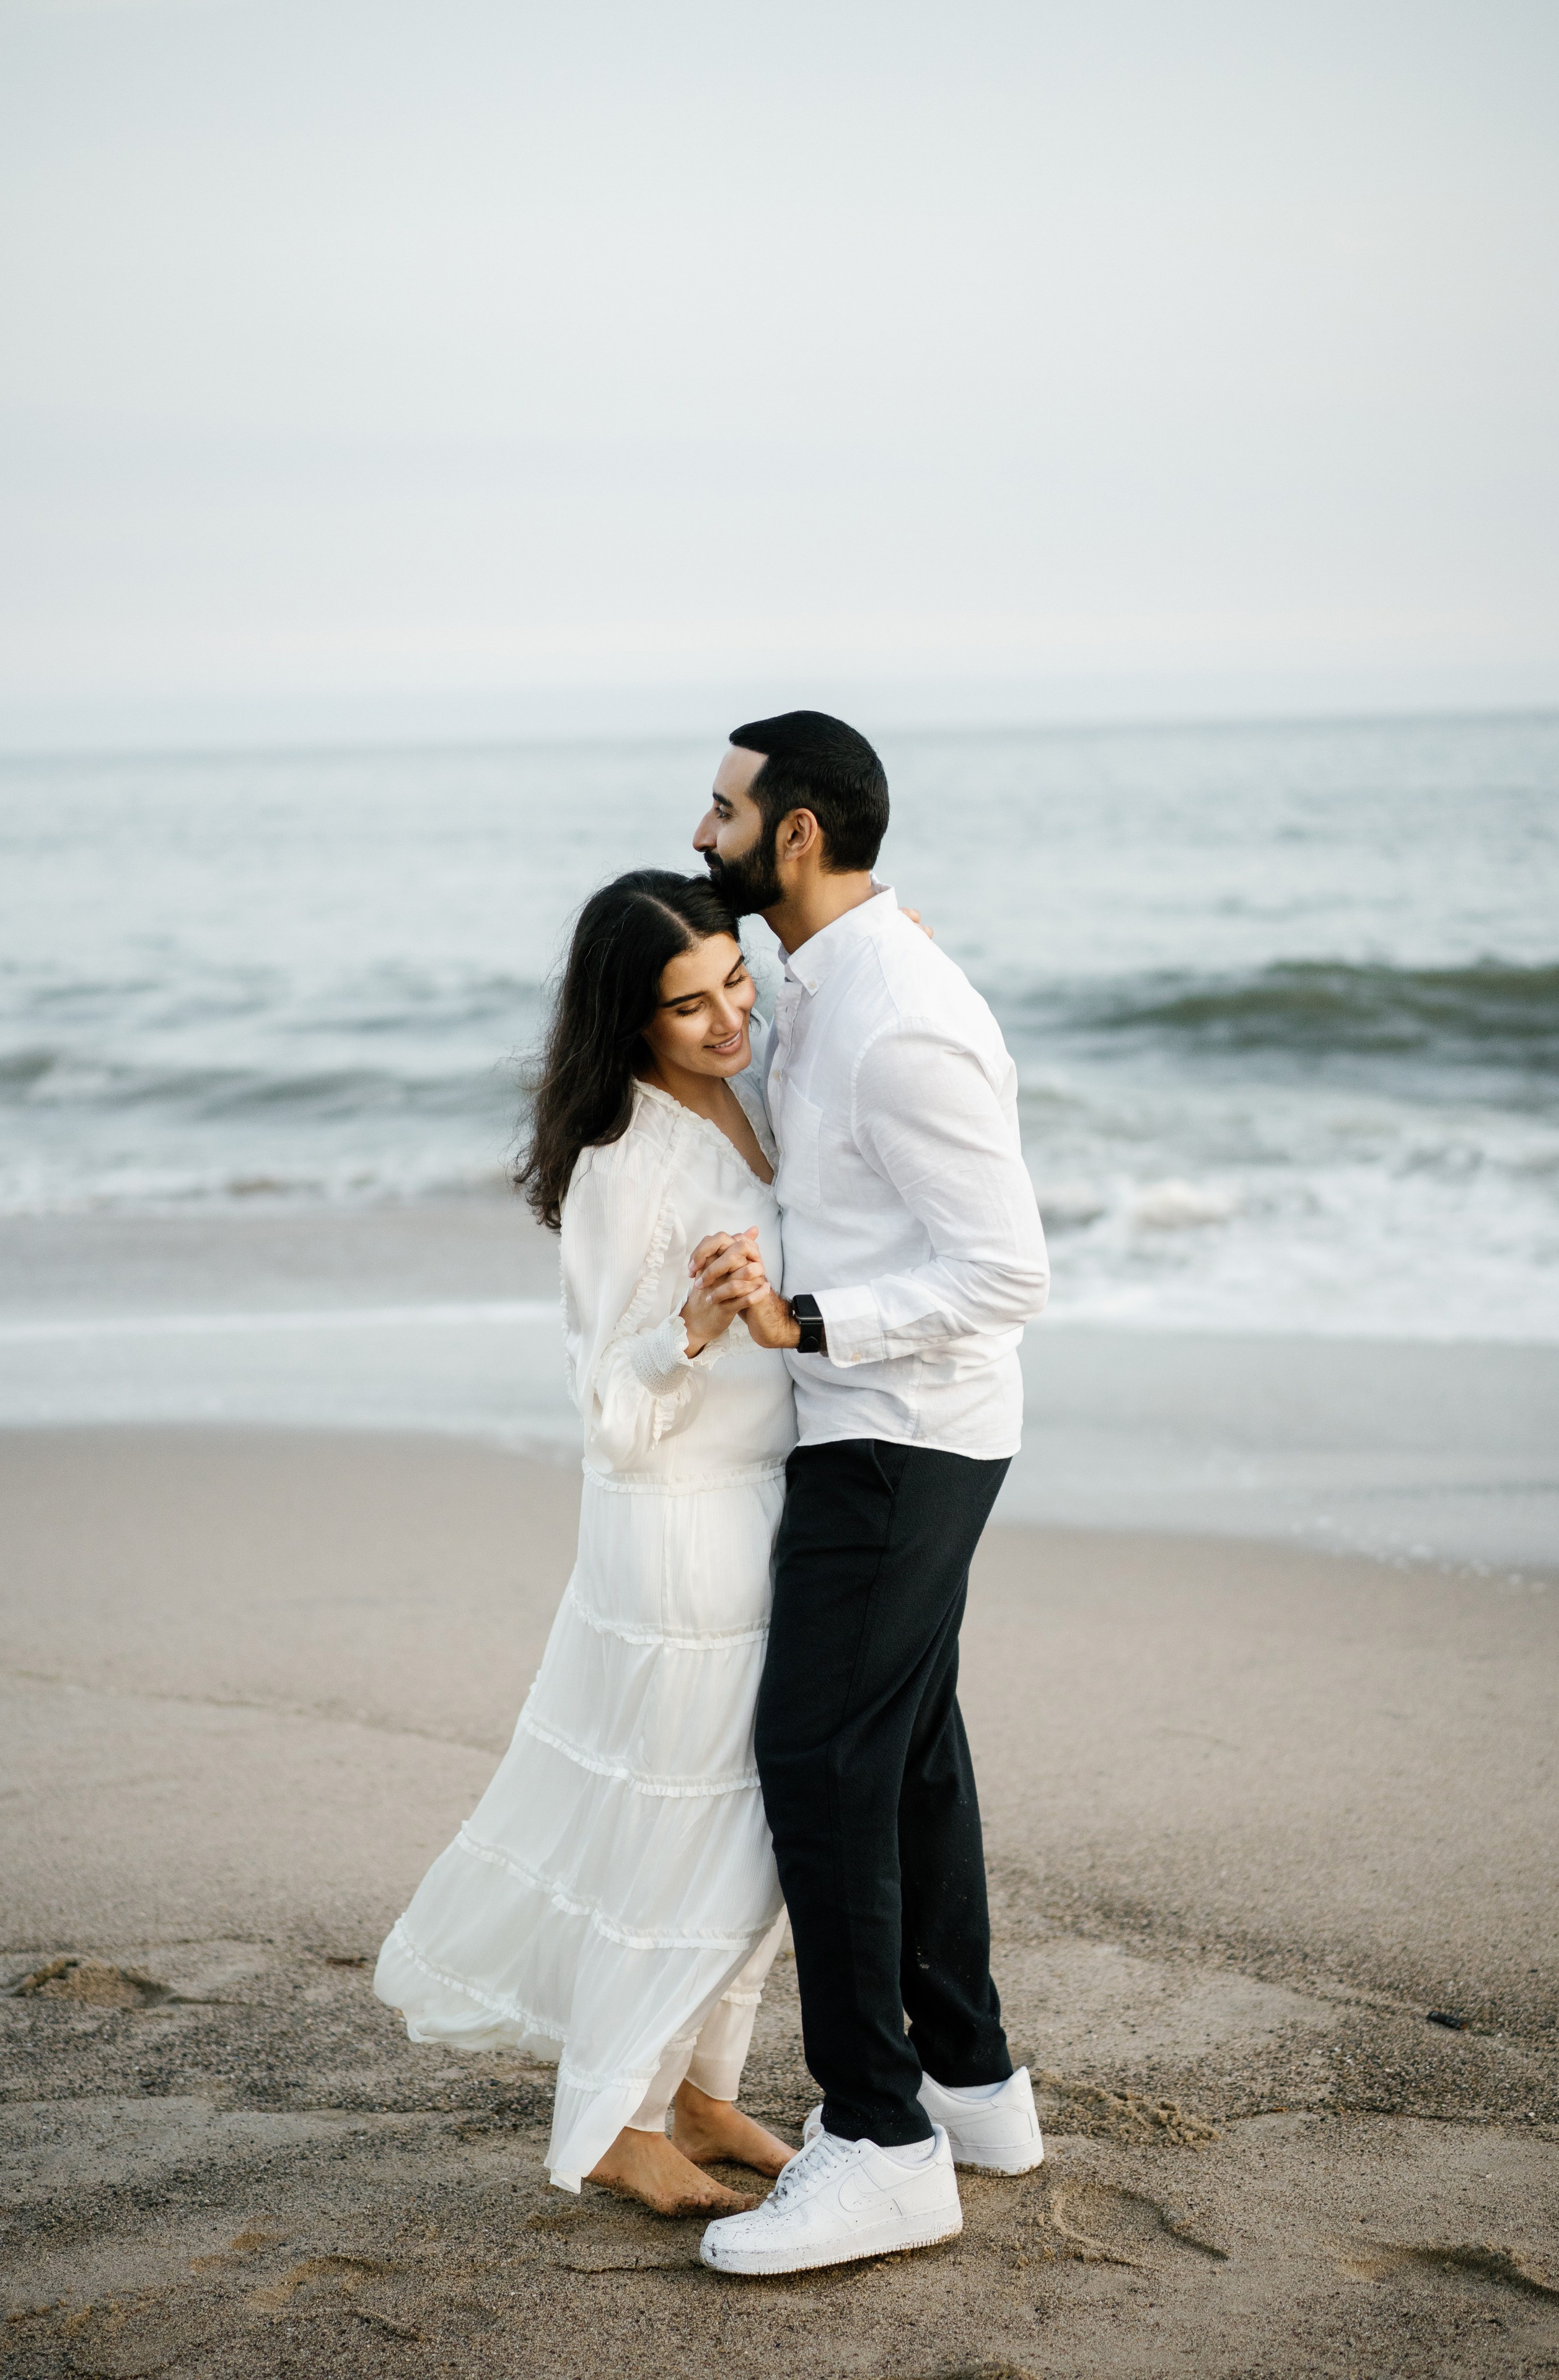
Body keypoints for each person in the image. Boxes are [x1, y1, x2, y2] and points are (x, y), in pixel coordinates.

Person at [374, 870, 799, 2214]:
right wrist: (693, 1322)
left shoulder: (752, 1081)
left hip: (760, 1497)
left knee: (755, 1824)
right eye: (688, 1005)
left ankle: (701, 2090)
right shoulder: (627, 1156)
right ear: (630, 1023)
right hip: (676, 1523)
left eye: (736, 980)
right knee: (680, 1832)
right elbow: (607, 1409)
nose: (728, 1016)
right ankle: (615, 2118)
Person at [688, 712, 1052, 2276]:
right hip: (893, 1429)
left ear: (795, 833)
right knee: (902, 1756)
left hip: (896, 1435)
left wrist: (810, 1324)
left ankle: (881, 2141)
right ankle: (968, 2086)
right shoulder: (833, 984)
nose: (697, 833)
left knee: (817, 1755)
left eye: (721, 810)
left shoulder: (895, 1011)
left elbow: (1005, 1271)